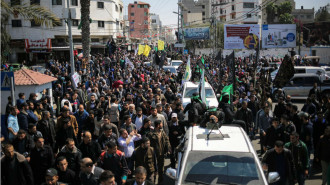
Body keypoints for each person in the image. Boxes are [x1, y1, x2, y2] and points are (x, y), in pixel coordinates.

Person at [147, 120, 171, 184]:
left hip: (161, 154)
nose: (162, 125)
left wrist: (168, 148)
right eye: (161, 124)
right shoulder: (151, 134)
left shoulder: (162, 132)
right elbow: (149, 145)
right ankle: (153, 182)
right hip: (154, 155)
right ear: (158, 125)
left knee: (161, 169)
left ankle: (160, 182)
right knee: (154, 169)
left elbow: (166, 140)